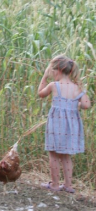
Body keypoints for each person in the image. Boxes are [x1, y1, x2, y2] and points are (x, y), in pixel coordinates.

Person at [38, 55, 91, 193]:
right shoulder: (76, 88)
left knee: (54, 154)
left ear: (59, 71)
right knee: (66, 156)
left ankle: (55, 184)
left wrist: (44, 77)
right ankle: (68, 185)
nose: (51, 74)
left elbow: (41, 94)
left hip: (56, 124)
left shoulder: (54, 85)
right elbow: (86, 104)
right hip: (71, 126)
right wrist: (74, 105)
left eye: (52, 71)